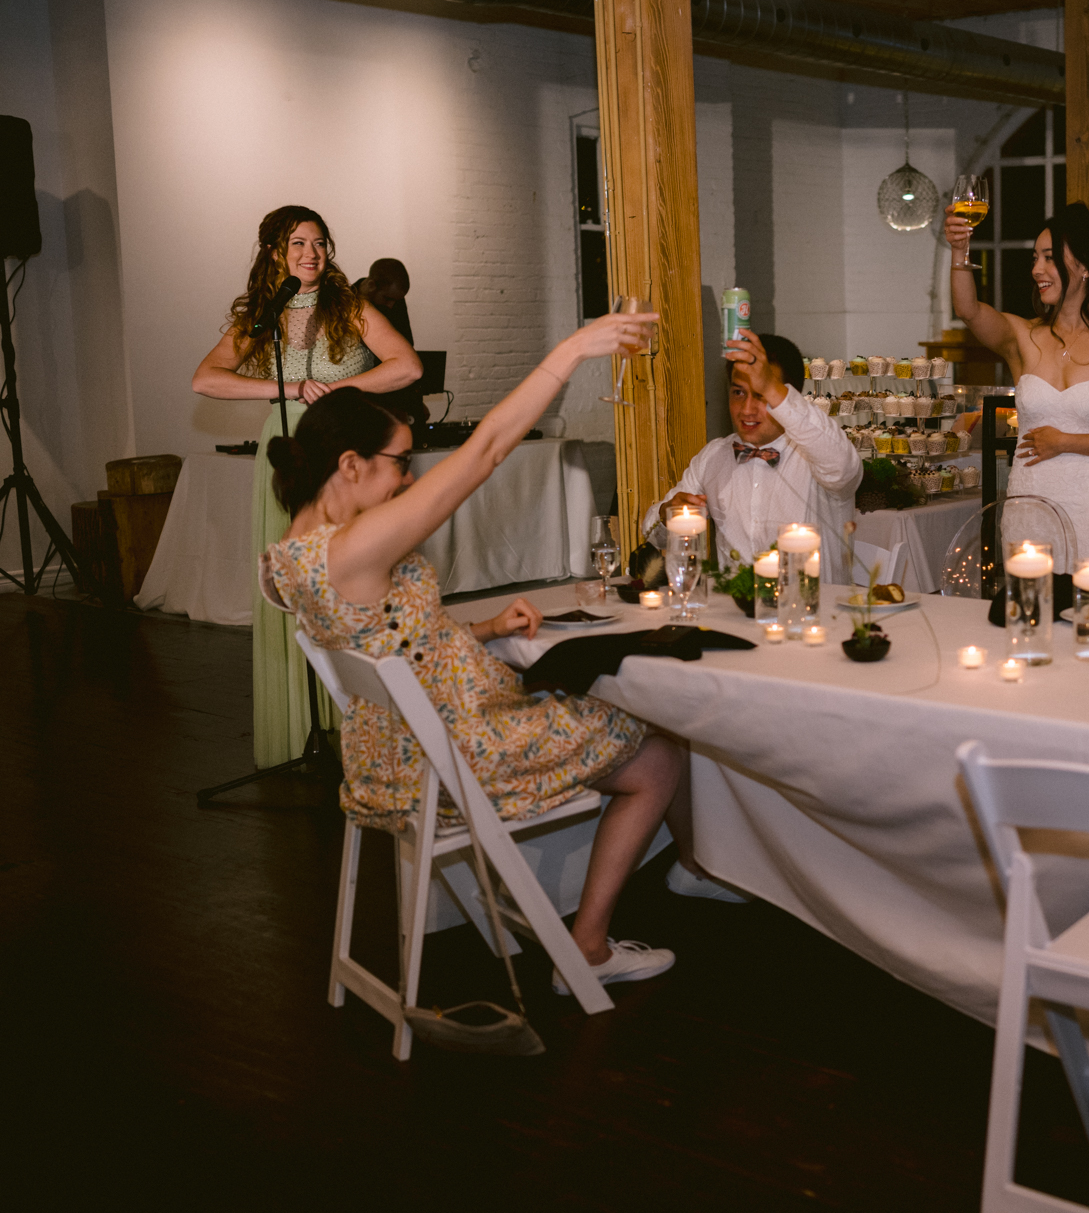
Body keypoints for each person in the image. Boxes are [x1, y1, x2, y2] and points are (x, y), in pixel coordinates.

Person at [265, 312, 700, 991]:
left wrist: (489, 630)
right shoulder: (354, 548)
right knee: (658, 752)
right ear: (348, 464)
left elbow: (390, 645)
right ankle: (587, 948)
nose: (407, 482)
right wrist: (574, 349)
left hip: (385, 760)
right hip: (445, 763)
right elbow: (488, 450)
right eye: (399, 465)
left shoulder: (289, 556)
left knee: (576, 694)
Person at [192, 206, 423, 769]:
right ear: (276, 252)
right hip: (286, 444)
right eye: (297, 244)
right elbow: (205, 379)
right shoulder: (262, 317)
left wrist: (338, 390)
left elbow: (408, 366)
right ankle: (301, 731)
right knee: (294, 588)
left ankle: (360, 725)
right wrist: (290, 388)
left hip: (342, 443)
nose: (310, 254)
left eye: (319, 243)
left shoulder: (350, 306)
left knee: (346, 577)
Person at [944, 201, 1089, 597]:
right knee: (1029, 620)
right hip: (1030, 507)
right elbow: (968, 310)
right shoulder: (1024, 337)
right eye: (1035, 258)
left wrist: (1065, 441)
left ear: (1085, 266)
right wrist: (959, 252)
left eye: (1050, 258)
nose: (1037, 269)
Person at [656, 329, 862, 576]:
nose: (746, 410)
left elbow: (845, 466)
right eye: (738, 393)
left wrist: (771, 387)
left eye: (761, 395)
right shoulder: (713, 456)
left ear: (787, 396)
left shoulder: (818, 455)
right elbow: (656, 536)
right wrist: (666, 514)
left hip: (812, 608)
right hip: (731, 609)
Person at [354, 258, 414, 345]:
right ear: (371, 285)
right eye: (387, 299)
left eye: (396, 300)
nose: (391, 306)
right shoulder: (343, 300)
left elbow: (407, 343)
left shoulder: (394, 298)